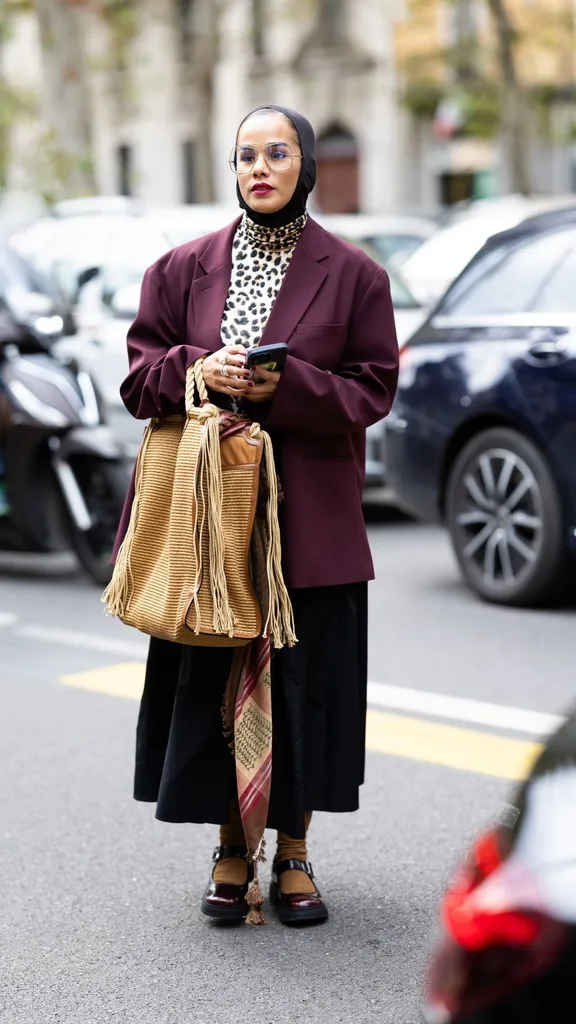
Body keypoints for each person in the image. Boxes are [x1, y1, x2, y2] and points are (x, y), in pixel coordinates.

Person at [114, 104, 399, 925]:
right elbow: (139, 382)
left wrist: (292, 387)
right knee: (213, 682)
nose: (260, 168)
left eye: (278, 154)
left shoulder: (356, 275)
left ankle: (297, 852)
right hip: (208, 517)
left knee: (305, 687)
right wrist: (198, 368)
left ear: (305, 164)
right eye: (246, 156)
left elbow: (374, 390)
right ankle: (232, 846)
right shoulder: (180, 270)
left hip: (307, 522)